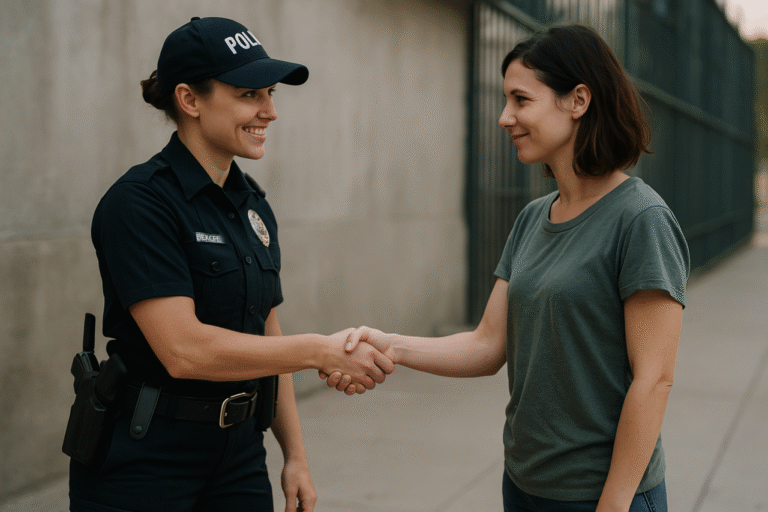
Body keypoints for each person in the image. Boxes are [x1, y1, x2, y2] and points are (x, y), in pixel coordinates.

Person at [325, 24, 689, 512]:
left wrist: (615, 503)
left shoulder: (641, 219)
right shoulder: (532, 218)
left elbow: (654, 380)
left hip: (600, 496)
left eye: (521, 100)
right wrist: (390, 345)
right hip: (524, 485)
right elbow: (487, 344)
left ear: (578, 100)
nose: (504, 117)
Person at [68, 16, 394, 512]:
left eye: (270, 93)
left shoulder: (252, 203)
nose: (270, 111)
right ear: (190, 100)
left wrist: (295, 455)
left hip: (238, 454)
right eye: (249, 95)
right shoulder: (138, 204)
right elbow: (184, 350)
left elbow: (268, 334)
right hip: (147, 460)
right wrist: (320, 351)